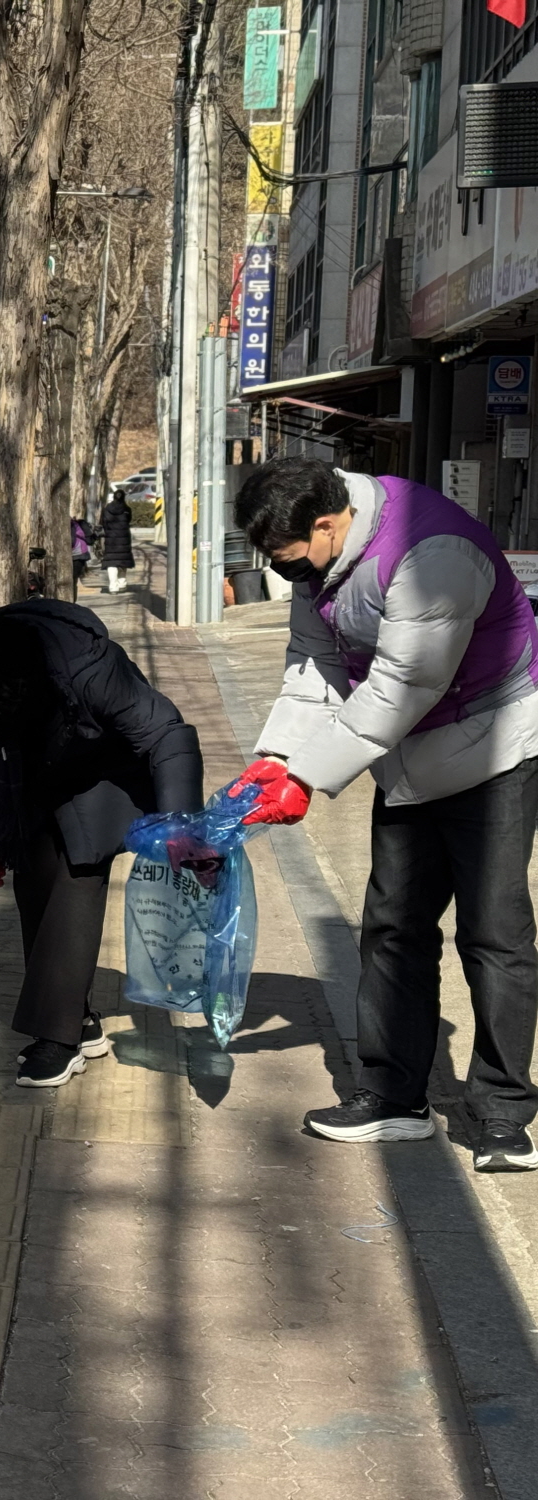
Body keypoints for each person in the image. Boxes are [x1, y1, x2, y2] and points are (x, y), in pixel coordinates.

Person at [231, 457, 538, 1171]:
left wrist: (307, 776)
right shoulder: (320, 565)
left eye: (291, 558)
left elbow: (405, 686)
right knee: (393, 928)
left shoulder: (433, 553)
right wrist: (275, 758)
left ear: (328, 523)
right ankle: (393, 1098)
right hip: (407, 758)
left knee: (494, 932)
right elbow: (315, 664)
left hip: (492, 745)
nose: (289, 577)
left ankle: (502, 1111)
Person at [0, 599, 203, 1086]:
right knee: (34, 880)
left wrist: (182, 828)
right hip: (34, 768)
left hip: (105, 767)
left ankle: (58, 1039)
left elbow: (166, 735)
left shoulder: (89, 668)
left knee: (76, 875)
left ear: (9, 684)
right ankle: (78, 1019)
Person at [101, 486, 135, 593]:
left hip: (111, 539)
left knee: (111, 563)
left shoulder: (107, 509)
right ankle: (122, 583)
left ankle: (113, 586)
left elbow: (104, 523)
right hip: (124, 539)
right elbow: (129, 520)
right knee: (122, 562)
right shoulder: (127, 510)